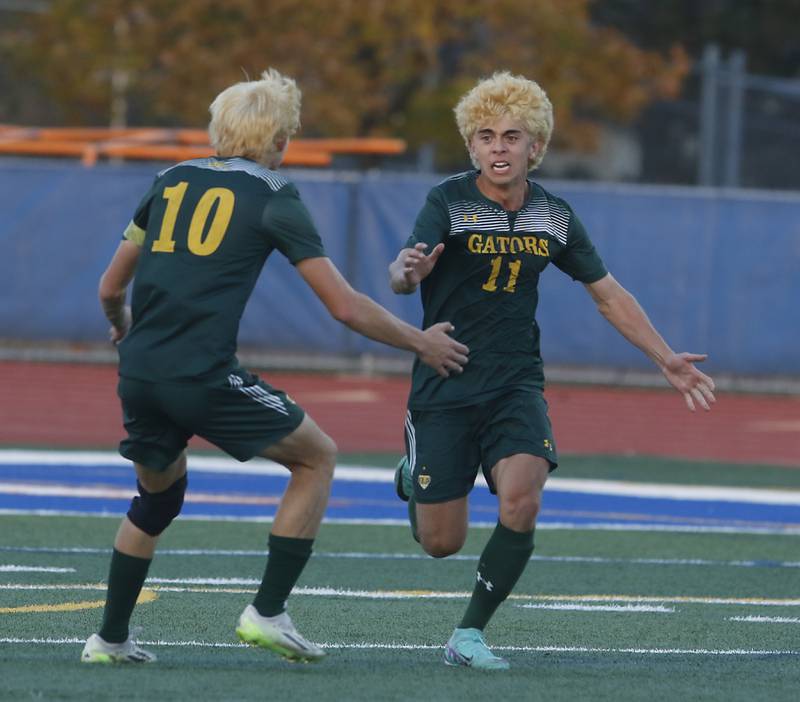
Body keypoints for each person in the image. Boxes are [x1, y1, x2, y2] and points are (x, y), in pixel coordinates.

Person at [81, 68, 468, 665]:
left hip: (138, 372)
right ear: (280, 139)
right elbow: (344, 306)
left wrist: (121, 326)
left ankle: (107, 639)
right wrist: (421, 342)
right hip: (200, 373)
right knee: (317, 457)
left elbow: (111, 286)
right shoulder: (273, 195)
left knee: (155, 501)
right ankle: (267, 611)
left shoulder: (169, 179)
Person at [389, 71, 716, 671]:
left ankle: (468, 634)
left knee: (522, 500)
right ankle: (413, 474)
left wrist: (664, 356)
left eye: (513, 136)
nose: (499, 147)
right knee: (441, 543)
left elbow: (608, 294)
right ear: (471, 145)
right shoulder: (448, 201)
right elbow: (403, 273)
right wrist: (407, 272)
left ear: (535, 146)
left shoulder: (554, 217)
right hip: (446, 379)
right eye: (486, 135)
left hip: (516, 382)